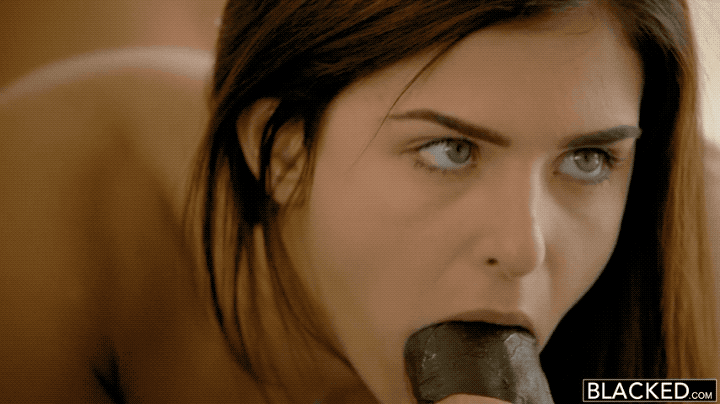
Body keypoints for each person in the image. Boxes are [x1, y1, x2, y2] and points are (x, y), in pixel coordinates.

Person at [0, 0, 717, 403]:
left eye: (587, 159)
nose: (523, 247)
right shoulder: (47, 197)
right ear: (284, 153)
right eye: (449, 150)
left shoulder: (702, 274)